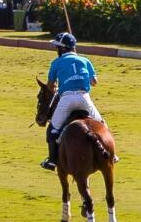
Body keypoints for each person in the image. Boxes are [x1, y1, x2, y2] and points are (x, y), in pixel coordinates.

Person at [42, 31, 100, 170]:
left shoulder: (56, 62)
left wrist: (56, 87)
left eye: (57, 47)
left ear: (62, 48)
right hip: (84, 98)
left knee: (53, 129)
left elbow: (50, 85)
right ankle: (111, 155)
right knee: (102, 125)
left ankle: (52, 161)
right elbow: (94, 82)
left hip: (66, 100)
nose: (56, 49)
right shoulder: (85, 60)